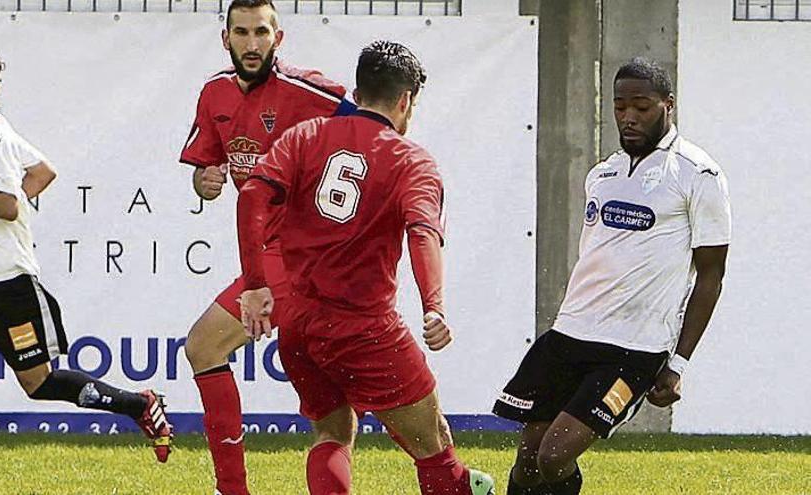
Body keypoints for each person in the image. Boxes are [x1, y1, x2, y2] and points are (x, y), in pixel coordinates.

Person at [237, 40, 495, 495]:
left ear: (357, 91)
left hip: (297, 321)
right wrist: (433, 305)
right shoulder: (410, 161)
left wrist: (257, 285)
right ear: (405, 100)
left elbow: (252, 197)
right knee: (436, 448)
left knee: (333, 432)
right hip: (364, 328)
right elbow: (422, 233)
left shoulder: (306, 135)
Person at [493, 57, 732, 495]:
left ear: (668, 105)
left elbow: (710, 277)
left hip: (634, 352)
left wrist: (677, 364)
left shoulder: (699, 175)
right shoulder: (602, 173)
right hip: (570, 336)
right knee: (528, 460)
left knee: (554, 456)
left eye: (641, 106)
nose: (629, 117)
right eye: (620, 107)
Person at [0, 44, 173, 462]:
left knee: (40, 384)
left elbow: (7, 206)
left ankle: (140, 404)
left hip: (5, 286)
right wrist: (8, 202)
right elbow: (44, 171)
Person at [178, 1, 355, 493]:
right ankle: (451, 470)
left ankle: (230, 489)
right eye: (242, 32)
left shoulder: (307, 90)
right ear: (226, 38)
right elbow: (205, 166)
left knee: (203, 345)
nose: (251, 43)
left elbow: (373, 126)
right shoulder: (214, 92)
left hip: (304, 254)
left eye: (261, 32)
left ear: (279, 39)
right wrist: (203, 180)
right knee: (339, 412)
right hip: (267, 253)